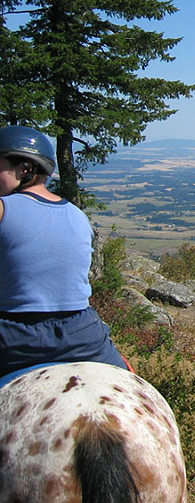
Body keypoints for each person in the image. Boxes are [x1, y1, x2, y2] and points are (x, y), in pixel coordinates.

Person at [0, 125, 128, 379]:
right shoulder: (77, 215)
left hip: (13, 336)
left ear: (24, 169)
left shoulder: (3, 208)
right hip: (82, 332)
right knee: (130, 382)